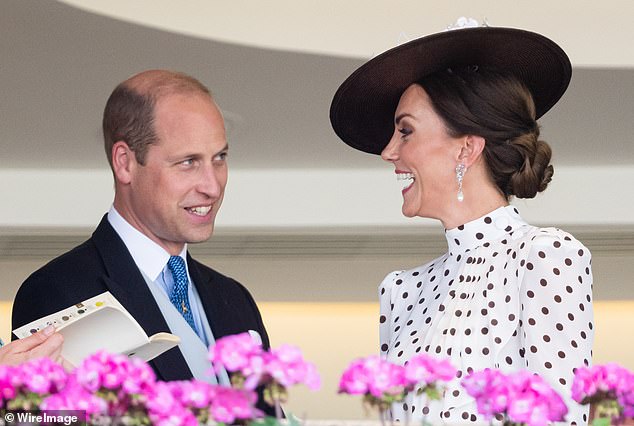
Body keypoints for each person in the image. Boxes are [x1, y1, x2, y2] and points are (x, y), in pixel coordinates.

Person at [330, 21, 593, 424]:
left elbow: (562, 417)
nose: (388, 151)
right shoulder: (400, 290)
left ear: (466, 148)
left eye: (405, 131)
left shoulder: (544, 255)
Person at [12, 70, 271, 395]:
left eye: (219, 158)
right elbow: (50, 418)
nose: (212, 186)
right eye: (188, 162)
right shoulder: (57, 290)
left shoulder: (235, 300)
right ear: (125, 163)